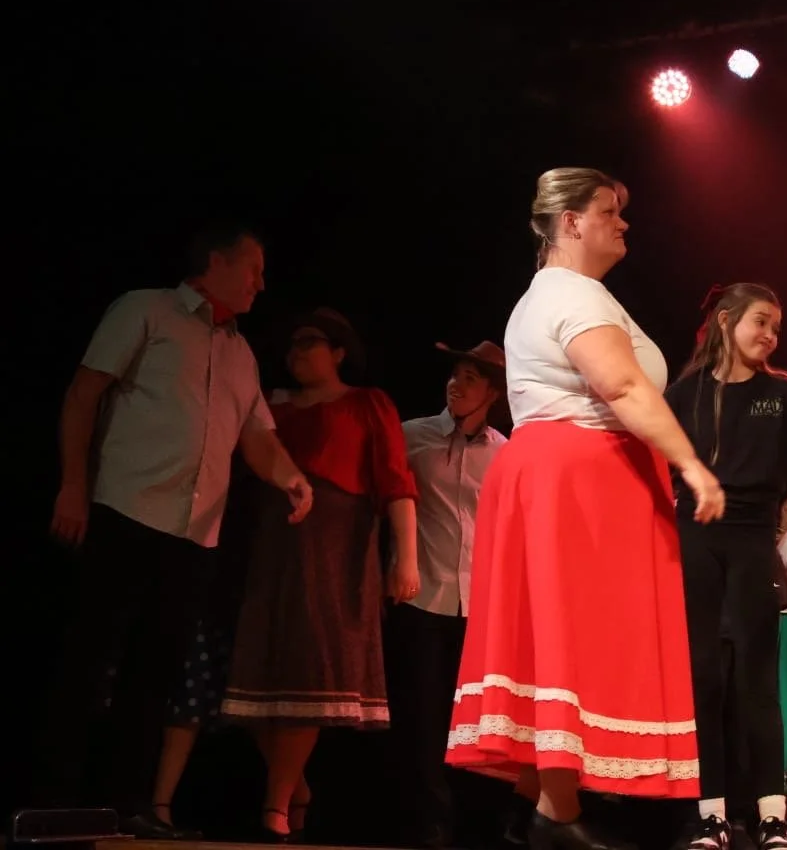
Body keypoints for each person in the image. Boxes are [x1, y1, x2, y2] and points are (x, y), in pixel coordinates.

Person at [446, 168, 726, 850]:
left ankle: (534, 807)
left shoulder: (568, 293)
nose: (623, 224)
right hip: (577, 481)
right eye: (609, 212)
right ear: (570, 221)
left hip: (572, 477)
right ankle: (555, 816)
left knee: (557, 639)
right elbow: (622, 384)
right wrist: (690, 464)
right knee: (570, 637)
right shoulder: (571, 294)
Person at [34, 224, 312, 838]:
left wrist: (291, 477)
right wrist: (72, 485)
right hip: (125, 511)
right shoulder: (146, 309)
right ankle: (52, 799)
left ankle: (128, 805)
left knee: (153, 673)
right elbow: (84, 394)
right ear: (215, 262)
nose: (262, 283)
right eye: (253, 269)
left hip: (193, 535)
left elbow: (257, 437)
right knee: (87, 658)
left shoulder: (241, 353)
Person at [662, 281, 787, 850]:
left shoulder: (784, 397)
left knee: (757, 682)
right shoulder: (682, 394)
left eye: (776, 327)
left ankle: (772, 817)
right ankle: (709, 816)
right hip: (692, 542)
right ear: (725, 321)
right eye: (761, 322)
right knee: (704, 678)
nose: (770, 336)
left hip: (751, 543)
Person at [220, 308, 419, 840]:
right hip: (268, 545)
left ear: (338, 352)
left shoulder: (366, 403)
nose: (297, 352)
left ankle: (275, 804)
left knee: (312, 666)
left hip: (335, 548)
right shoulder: (271, 404)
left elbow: (396, 484)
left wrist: (406, 557)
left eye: (311, 343)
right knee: (258, 668)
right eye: (291, 345)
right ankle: (296, 786)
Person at [387, 341, 508, 849]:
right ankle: (431, 823)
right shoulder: (411, 436)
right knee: (423, 716)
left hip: (479, 607)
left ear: (493, 393)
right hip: (422, 596)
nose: (456, 385)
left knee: (476, 721)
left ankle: (479, 824)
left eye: (470, 378)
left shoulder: (506, 453)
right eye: (454, 375)